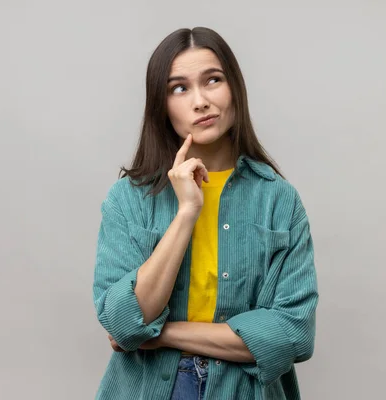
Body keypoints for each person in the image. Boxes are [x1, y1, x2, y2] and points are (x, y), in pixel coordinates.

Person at [93, 26, 318, 400]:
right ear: (161, 105)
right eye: (179, 88)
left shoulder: (279, 201)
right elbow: (123, 322)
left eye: (212, 80)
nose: (200, 101)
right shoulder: (128, 200)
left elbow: (293, 335)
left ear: (234, 89)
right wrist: (186, 213)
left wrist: (162, 333)